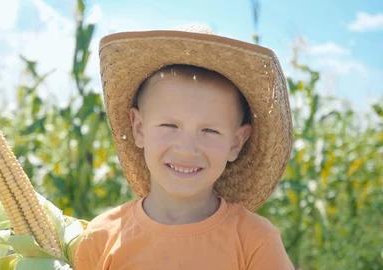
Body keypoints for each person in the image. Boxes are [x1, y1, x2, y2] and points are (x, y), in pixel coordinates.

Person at [72, 25, 295, 270]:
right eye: (169, 125)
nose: (187, 149)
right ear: (139, 128)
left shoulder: (255, 242)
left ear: (236, 142)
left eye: (209, 131)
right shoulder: (101, 237)